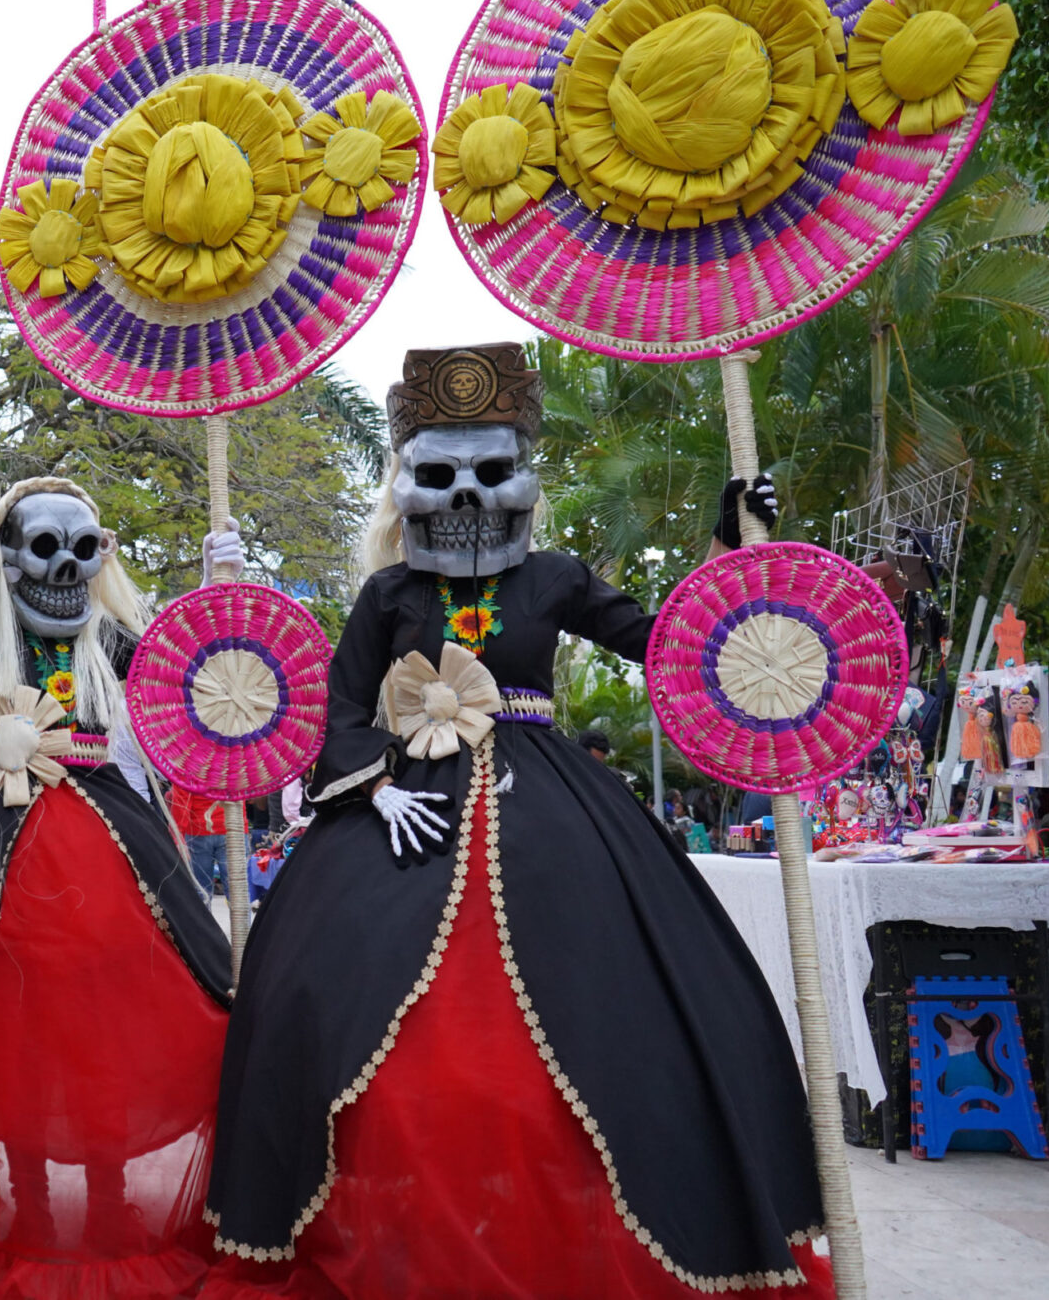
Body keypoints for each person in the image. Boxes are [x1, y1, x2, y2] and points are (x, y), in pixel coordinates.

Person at [202, 345, 828, 1300]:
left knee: (604, 1019)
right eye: (438, 474)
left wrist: (733, 549)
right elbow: (335, 717)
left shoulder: (556, 577)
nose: (464, 497)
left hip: (556, 806)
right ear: (404, 486)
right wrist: (376, 788)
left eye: (490, 472)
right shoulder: (389, 596)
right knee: (352, 1023)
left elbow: (670, 645)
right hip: (405, 805)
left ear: (524, 483)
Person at [0, 477, 232, 1297]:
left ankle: (114, 1203)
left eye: (84, 550)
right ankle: (14, 1212)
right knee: (11, 1042)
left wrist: (216, 592)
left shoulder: (108, 641)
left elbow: (187, 679)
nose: (66, 571)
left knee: (133, 1022)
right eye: (46, 549)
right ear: (5, 556)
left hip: (116, 847)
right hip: (0, 857)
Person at [171, 780, 227, 899]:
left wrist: (177, 835)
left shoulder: (189, 763)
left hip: (199, 830)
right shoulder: (237, 762)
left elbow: (182, 800)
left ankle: (203, 918)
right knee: (238, 891)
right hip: (232, 828)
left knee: (202, 890)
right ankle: (243, 918)